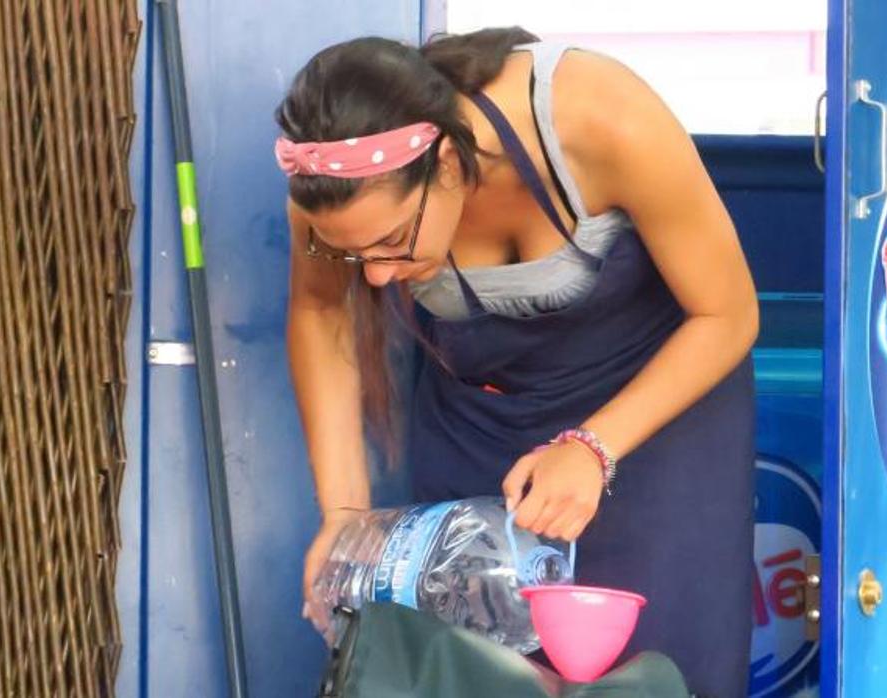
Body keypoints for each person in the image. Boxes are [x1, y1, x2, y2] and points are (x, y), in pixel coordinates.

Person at [278, 27, 759, 697]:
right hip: (481, 434)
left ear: (447, 161)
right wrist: (345, 519)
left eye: (392, 242)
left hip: (654, 424)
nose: (381, 279)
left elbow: (728, 314)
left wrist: (593, 448)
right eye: (358, 257)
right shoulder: (327, 186)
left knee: (658, 669)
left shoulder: (598, 118)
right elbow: (322, 315)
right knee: (470, 673)